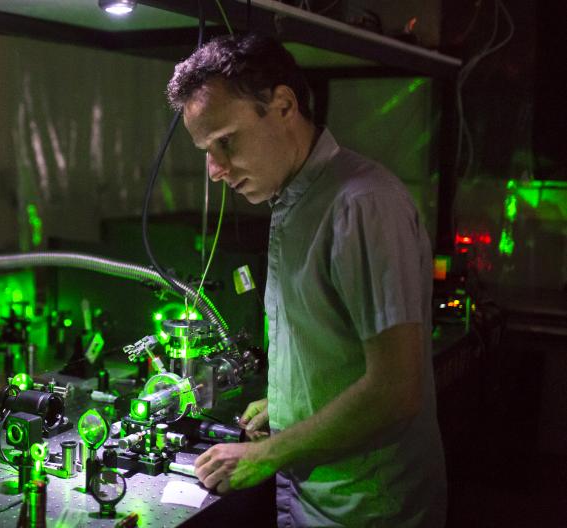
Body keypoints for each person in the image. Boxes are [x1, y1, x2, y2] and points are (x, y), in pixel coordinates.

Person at [166, 33, 447, 527]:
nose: (214, 170)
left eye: (225, 141)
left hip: (365, 509)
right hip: (315, 496)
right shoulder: (295, 198)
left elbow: (396, 391)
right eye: (206, 150)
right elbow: (336, 346)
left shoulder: (360, 205)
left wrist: (267, 454)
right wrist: (288, 401)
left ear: (283, 105)